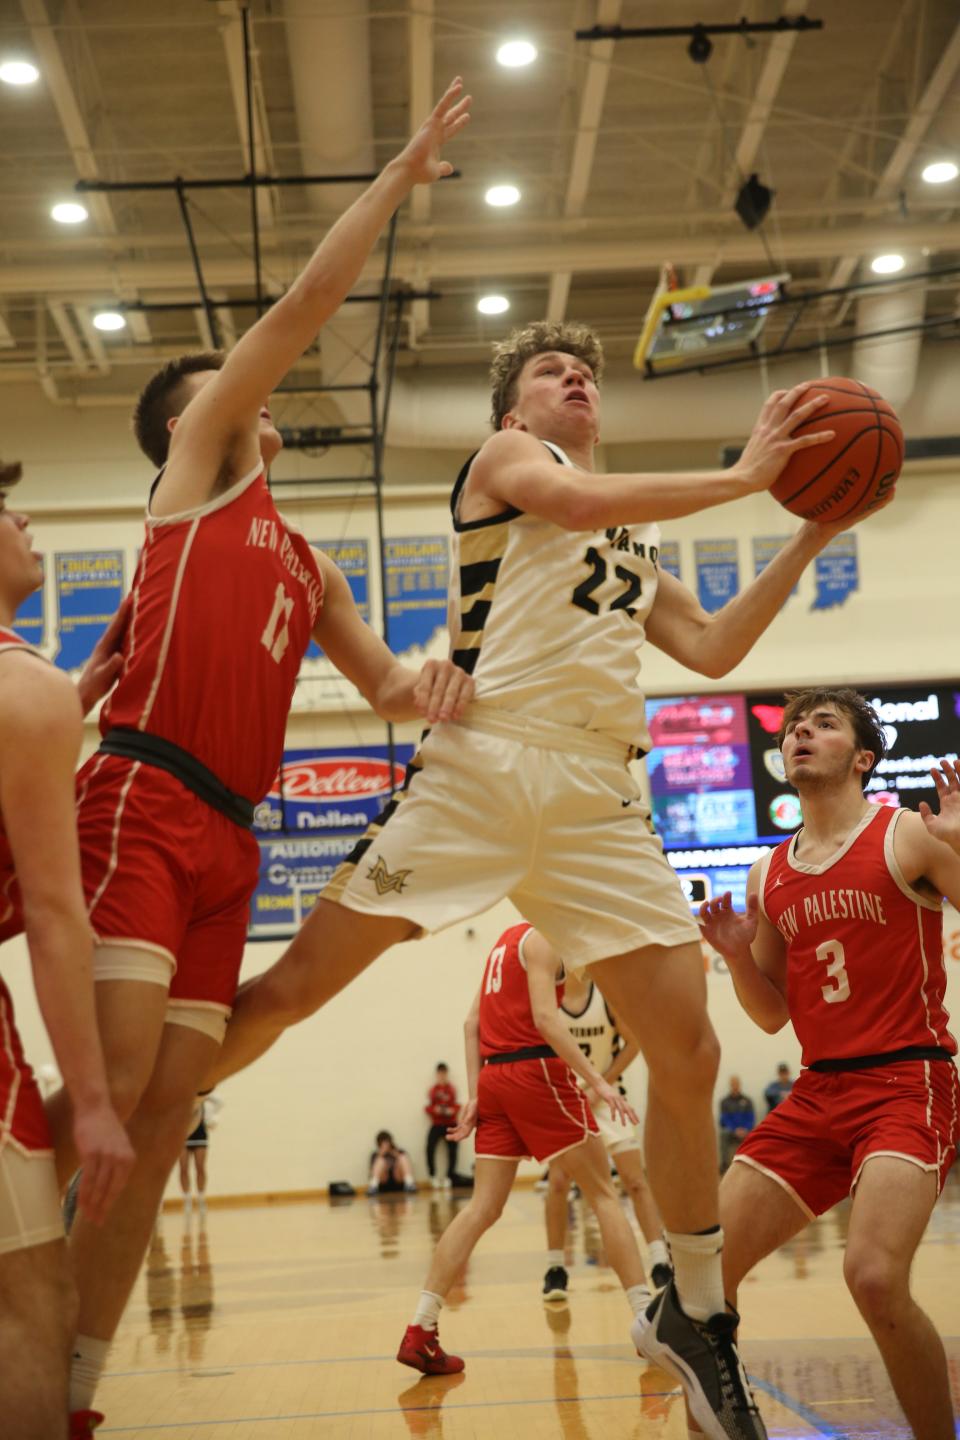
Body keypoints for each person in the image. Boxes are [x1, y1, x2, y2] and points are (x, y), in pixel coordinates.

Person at [211, 319, 872, 1440]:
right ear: (513, 412)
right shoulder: (514, 465)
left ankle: (695, 1313)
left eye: (588, 370)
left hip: (598, 794)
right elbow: (571, 506)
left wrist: (804, 537)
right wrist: (745, 475)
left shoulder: (632, 544)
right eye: (553, 371)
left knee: (691, 1043)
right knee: (292, 991)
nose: (579, 377)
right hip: (486, 761)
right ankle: (137, 1106)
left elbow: (711, 651)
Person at [31, 82, 473, 1440]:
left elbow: (393, 687)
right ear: (195, 423)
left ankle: (80, 1387)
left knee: (158, 1123)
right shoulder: (204, 472)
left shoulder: (306, 555)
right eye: (228, 389)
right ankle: (20, 1318)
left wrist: (451, 667)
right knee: (102, 1097)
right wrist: (396, 181)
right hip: (143, 796)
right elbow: (297, 317)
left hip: (232, 836)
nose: (257, 390)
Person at [699, 689, 960, 1440]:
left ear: (864, 757)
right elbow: (771, 1010)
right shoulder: (767, 873)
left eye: (824, 723)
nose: (802, 733)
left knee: (873, 1276)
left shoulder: (909, 835)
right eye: (794, 727)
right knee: (699, 1285)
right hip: (818, 1092)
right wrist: (734, 959)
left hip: (907, 1081)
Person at [0, 461, 133, 1439]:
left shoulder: (39, 697)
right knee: (28, 1300)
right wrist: (91, 1103)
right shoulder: (20, 689)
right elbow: (53, 911)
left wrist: (74, 697)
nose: (26, 518)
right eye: (4, 510)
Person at [397, 923, 652, 1376]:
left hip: (495, 1078)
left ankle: (421, 1328)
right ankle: (647, 1323)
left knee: (481, 1207)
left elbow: (471, 1022)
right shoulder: (545, 937)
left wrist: (476, 1092)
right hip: (534, 1072)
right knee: (603, 1195)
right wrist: (598, 1082)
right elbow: (546, 1019)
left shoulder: (502, 943)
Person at [543, 969, 671, 1301]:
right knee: (558, 1181)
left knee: (635, 1180)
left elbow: (634, 1042)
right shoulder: (548, 998)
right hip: (566, 1100)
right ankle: (555, 1268)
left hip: (608, 1095)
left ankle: (659, 1259)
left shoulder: (605, 995)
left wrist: (602, 1084)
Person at [178, 1092, 223, 1217]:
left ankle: (201, 1198)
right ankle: (187, 1200)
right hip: (182, 1134)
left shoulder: (203, 1095)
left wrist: (204, 1094)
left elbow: (219, 1102)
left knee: (200, 1167)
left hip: (200, 1134)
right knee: (183, 1168)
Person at [425, 1063, 460, 1189]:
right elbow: (428, 1107)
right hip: (437, 1124)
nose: (442, 1076)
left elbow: (456, 1105)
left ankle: (449, 1176)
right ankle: (433, 1175)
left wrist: (452, 1110)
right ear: (437, 1074)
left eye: (444, 1073)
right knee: (430, 1147)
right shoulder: (433, 1090)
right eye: (440, 1073)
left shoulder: (451, 1089)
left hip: (450, 1124)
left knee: (453, 1150)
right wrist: (435, 1110)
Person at [718, 1076, 755, 1171]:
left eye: (737, 1084)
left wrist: (745, 1129)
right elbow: (724, 1120)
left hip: (745, 1130)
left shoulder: (747, 1100)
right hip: (731, 1131)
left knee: (756, 1133)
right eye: (733, 1084)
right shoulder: (724, 1102)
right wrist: (735, 1130)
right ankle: (725, 1165)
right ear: (730, 1085)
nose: (735, 1086)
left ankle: (752, 1165)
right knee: (723, 1133)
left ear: (740, 1085)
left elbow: (751, 1118)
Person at [368, 1131, 417, 1196]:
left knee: (403, 1157)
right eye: (382, 1142)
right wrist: (381, 1155)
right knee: (380, 1161)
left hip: (398, 1180)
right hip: (383, 1182)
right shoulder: (375, 1155)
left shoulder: (399, 1152)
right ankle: (373, 1187)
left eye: (387, 1142)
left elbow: (408, 1166)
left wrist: (396, 1154)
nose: (385, 1145)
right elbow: (371, 1171)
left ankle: (409, 1184)